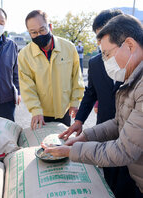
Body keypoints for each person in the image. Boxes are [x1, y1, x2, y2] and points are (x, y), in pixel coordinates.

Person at [42, 14, 143, 198]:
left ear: (129, 45)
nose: (105, 61)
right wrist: (85, 137)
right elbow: (119, 123)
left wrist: (72, 151)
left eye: (107, 54)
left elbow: (124, 150)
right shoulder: (133, 79)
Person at [59, 10, 126, 197]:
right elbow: (91, 93)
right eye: (98, 38)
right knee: (109, 176)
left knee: (129, 179)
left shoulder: (135, 61)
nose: (102, 44)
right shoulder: (96, 63)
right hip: (105, 126)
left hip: (131, 131)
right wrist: (79, 120)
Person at [18, 10, 84, 129]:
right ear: (29, 33)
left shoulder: (69, 48)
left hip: (65, 112)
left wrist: (75, 103)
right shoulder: (24, 55)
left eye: (42, 30)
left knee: (63, 144)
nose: (39, 35)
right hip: (40, 114)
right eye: (33, 32)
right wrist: (35, 109)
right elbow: (27, 86)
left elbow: (76, 78)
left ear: (50, 27)